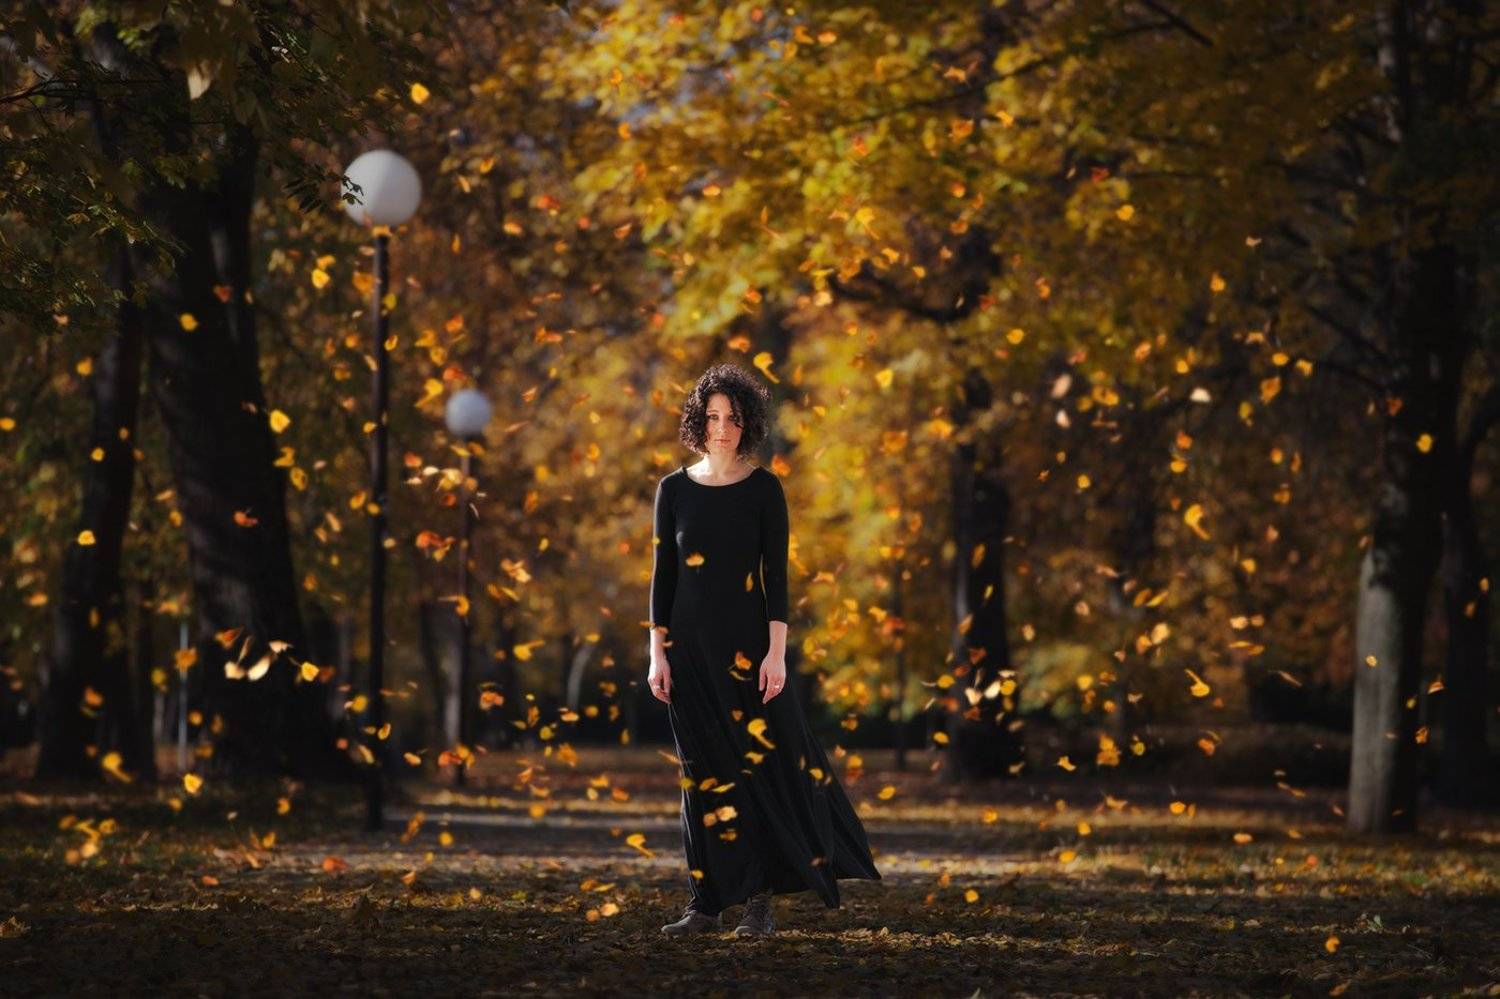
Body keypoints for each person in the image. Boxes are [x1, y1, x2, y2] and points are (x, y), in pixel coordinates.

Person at [647, 363, 881, 938]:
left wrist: (777, 654)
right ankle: (704, 905)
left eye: (732, 418)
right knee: (701, 776)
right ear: (698, 422)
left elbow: (775, 579)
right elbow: (662, 579)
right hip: (687, 656)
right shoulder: (672, 491)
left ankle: (757, 903)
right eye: (713, 417)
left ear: (747, 424)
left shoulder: (763, 489)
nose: (722, 428)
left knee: (749, 772)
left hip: (749, 656)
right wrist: (657, 653)